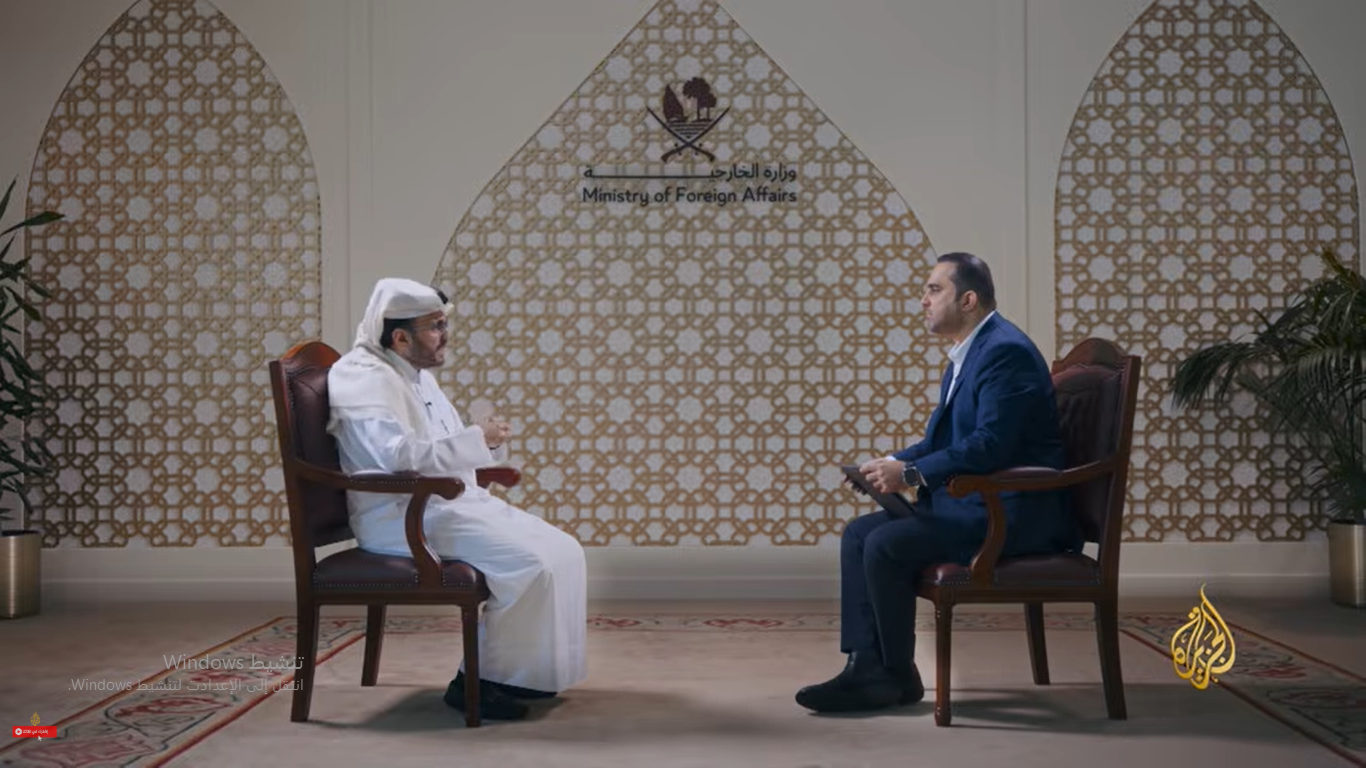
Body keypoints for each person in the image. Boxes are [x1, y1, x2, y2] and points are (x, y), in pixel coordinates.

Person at [795, 252, 1081, 714]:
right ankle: (869, 668)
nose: (923, 300)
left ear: (968, 300)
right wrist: (889, 464)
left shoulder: (1004, 352)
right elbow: (941, 441)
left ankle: (892, 675)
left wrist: (909, 475)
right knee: (858, 535)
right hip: (974, 505)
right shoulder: (969, 355)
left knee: (885, 544)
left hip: (1009, 513)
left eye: (934, 289)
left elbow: (991, 445)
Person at [328, 277, 587, 721]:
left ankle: (523, 677)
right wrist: (476, 439)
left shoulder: (415, 375)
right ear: (400, 337)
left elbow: (446, 445)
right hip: (400, 515)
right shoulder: (364, 379)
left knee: (565, 551)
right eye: (435, 327)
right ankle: (476, 684)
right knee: (532, 565)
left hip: (443, 503)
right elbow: (400, 459)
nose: (445, 335)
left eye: (444, 324)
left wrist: (487, 441)